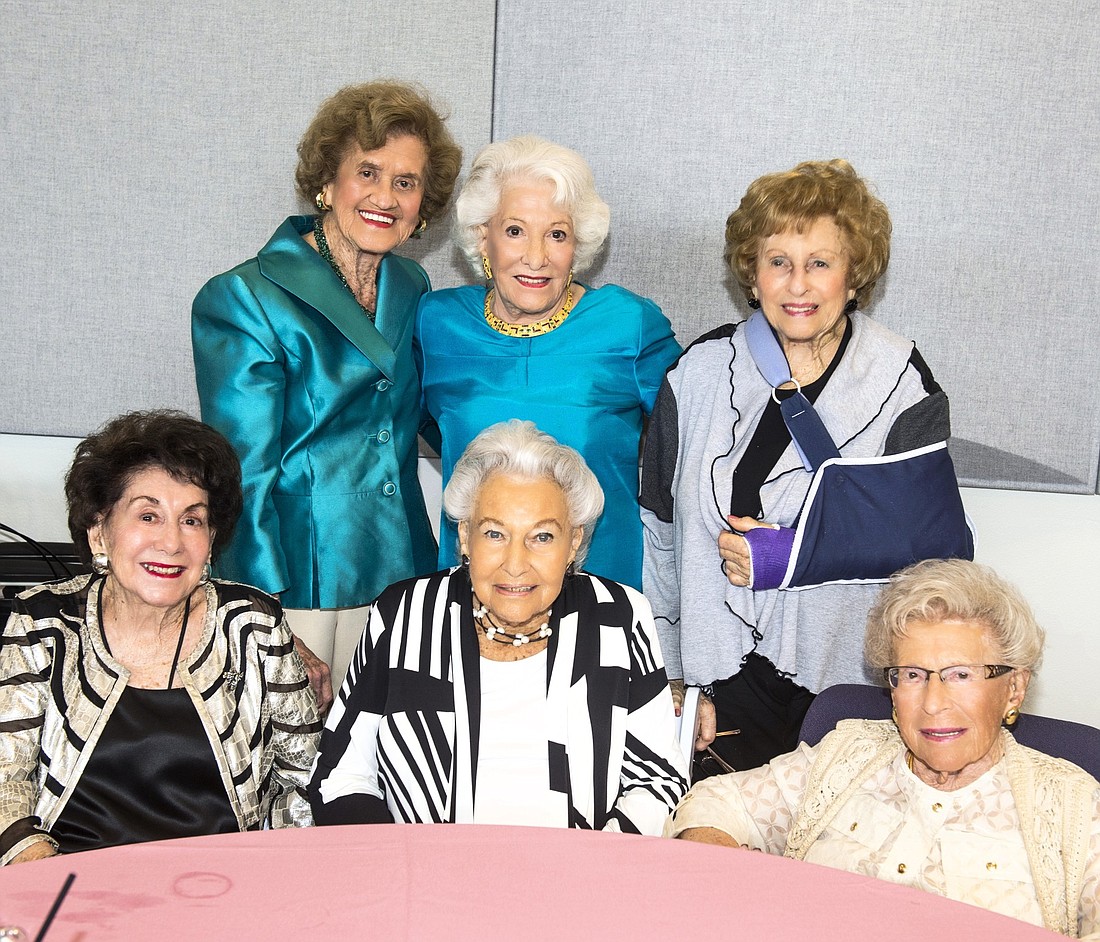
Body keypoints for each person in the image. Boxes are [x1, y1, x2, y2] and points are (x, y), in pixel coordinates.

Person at [641, 159, 971, 773]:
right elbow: (658, 541)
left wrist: (793, 553)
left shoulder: (901, 380)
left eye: (820, 263)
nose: (798, 285)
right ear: (752, 273)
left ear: (853, 276)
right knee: (715, 851)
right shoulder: (697, 375)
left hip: (854, 693)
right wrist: (675, 681)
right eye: (778, 262)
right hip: (720, 691)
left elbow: (938, 555)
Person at [192, 81, 462, 693]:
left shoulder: (412, 286)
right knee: (295, 769)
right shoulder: (242, 298)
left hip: (401, 567)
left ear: (425, 203)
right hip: (299, 577)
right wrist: (260, 618)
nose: (385, 197)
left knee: (385, 767)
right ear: (326, 180)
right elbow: (242, 473)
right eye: (368, 172)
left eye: (406, 181)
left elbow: (420, 411)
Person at [666, 559, 1100, 938]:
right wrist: (730, 871)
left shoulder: (1073, 806)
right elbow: (716, 801)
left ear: (1013, 690)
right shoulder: (848, 755)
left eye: (960, 675)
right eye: (912, 675)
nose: (933, 702)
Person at [309, 420, 687, 833]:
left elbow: (657, 781)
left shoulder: (619, 616)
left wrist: (589, 872)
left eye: (542, 537)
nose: (515, 563)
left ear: (574, 542)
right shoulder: (403, 613)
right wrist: (405, 866)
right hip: (427, 876)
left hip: (579, 878)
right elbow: (340, 774)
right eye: (494, 533)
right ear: (465, 536)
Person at [0, 411, 320, 865]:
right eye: (148, 515)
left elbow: (305, 778)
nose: (171, 542)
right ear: (98, 532)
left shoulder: (252, 625)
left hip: (219, 887)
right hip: (70, 878)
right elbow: (4, 776)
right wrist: (41, 871)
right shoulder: (43, 623)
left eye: (192, 520)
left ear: (211, 539)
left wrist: (273, 874)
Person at [415, 135, 680, 590]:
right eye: (515, 231)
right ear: (483, 236)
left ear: (577, 245)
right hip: (475, 586)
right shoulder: (436, 323)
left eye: (556, 234)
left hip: (601, 588)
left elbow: (694, 442)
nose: (536, 258)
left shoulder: (628, 325)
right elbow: (415, 426)